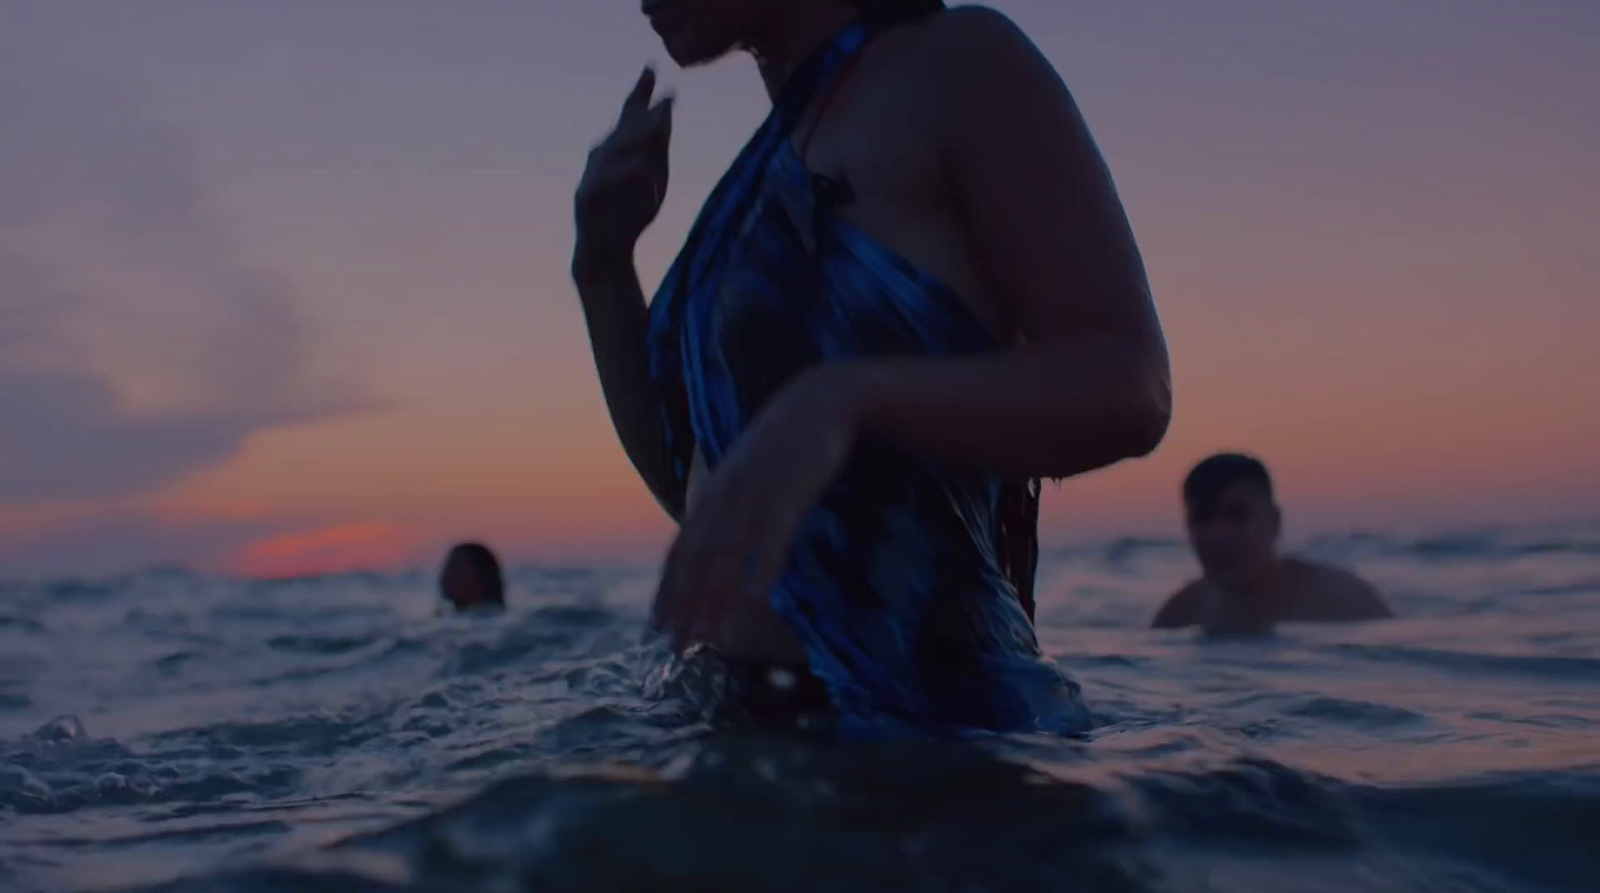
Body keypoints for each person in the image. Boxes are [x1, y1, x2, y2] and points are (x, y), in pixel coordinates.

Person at [572, 0, 1170, 733]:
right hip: (744, 731)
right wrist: (601, 267)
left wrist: (848, 398)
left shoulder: (955, 61)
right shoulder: (777, 154)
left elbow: (1128, 384)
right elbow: (728, 505)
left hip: (935, 751)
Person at [1152, 454, 1392, 636]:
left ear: (1274, 521)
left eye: (1237, 515)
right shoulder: (1180, 615)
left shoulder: (1345, 602)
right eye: (1201, 518)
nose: (1218, 534)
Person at [439, 542, 506, 612]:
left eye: (456, 568)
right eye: (447, 570)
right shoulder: (450, 616)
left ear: (480, 577)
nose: (445, 577)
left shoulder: (489, 615)